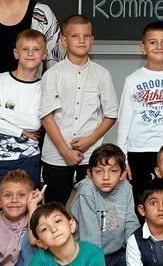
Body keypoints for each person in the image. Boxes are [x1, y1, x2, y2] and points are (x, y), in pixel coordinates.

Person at [38, 14, 119, 206]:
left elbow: (111, 115)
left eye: (86, 36)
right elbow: (46, 117)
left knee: (93, 206)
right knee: (53, 207)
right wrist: (66, 151)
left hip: (90, 156)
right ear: (64, 40)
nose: (81, 41)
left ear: (92, 39)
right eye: (75, 36)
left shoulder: (102, 74)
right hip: (56, 155)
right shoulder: (53, 74)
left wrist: (88, 142)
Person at [116, 20, 163, 197]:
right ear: (143, 48)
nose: (159, 46)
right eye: (152, 42)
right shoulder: (132, 80)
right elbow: (124, 122)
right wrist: (123, 159)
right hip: (138, 151)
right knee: (141, 200)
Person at [0, 28, 45, 215]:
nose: (30, 54)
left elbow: (34, 123)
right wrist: (21, 132)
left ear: (44, 54)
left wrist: (2, 111)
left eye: (36, 49)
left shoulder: (43, 86)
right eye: (25, 49)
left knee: (28, 210)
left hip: (27, 158)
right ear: (16, 53)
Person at [68, 144, 139, 266]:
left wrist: (137, 257)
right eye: (99, 171)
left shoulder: (126, 188)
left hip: (115, 253)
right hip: (87, 257)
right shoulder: (87, 190)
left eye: (113, 171)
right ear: (89, 173)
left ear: (122, 174)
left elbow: (130, 223)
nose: (106, 177)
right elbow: (90, 236)